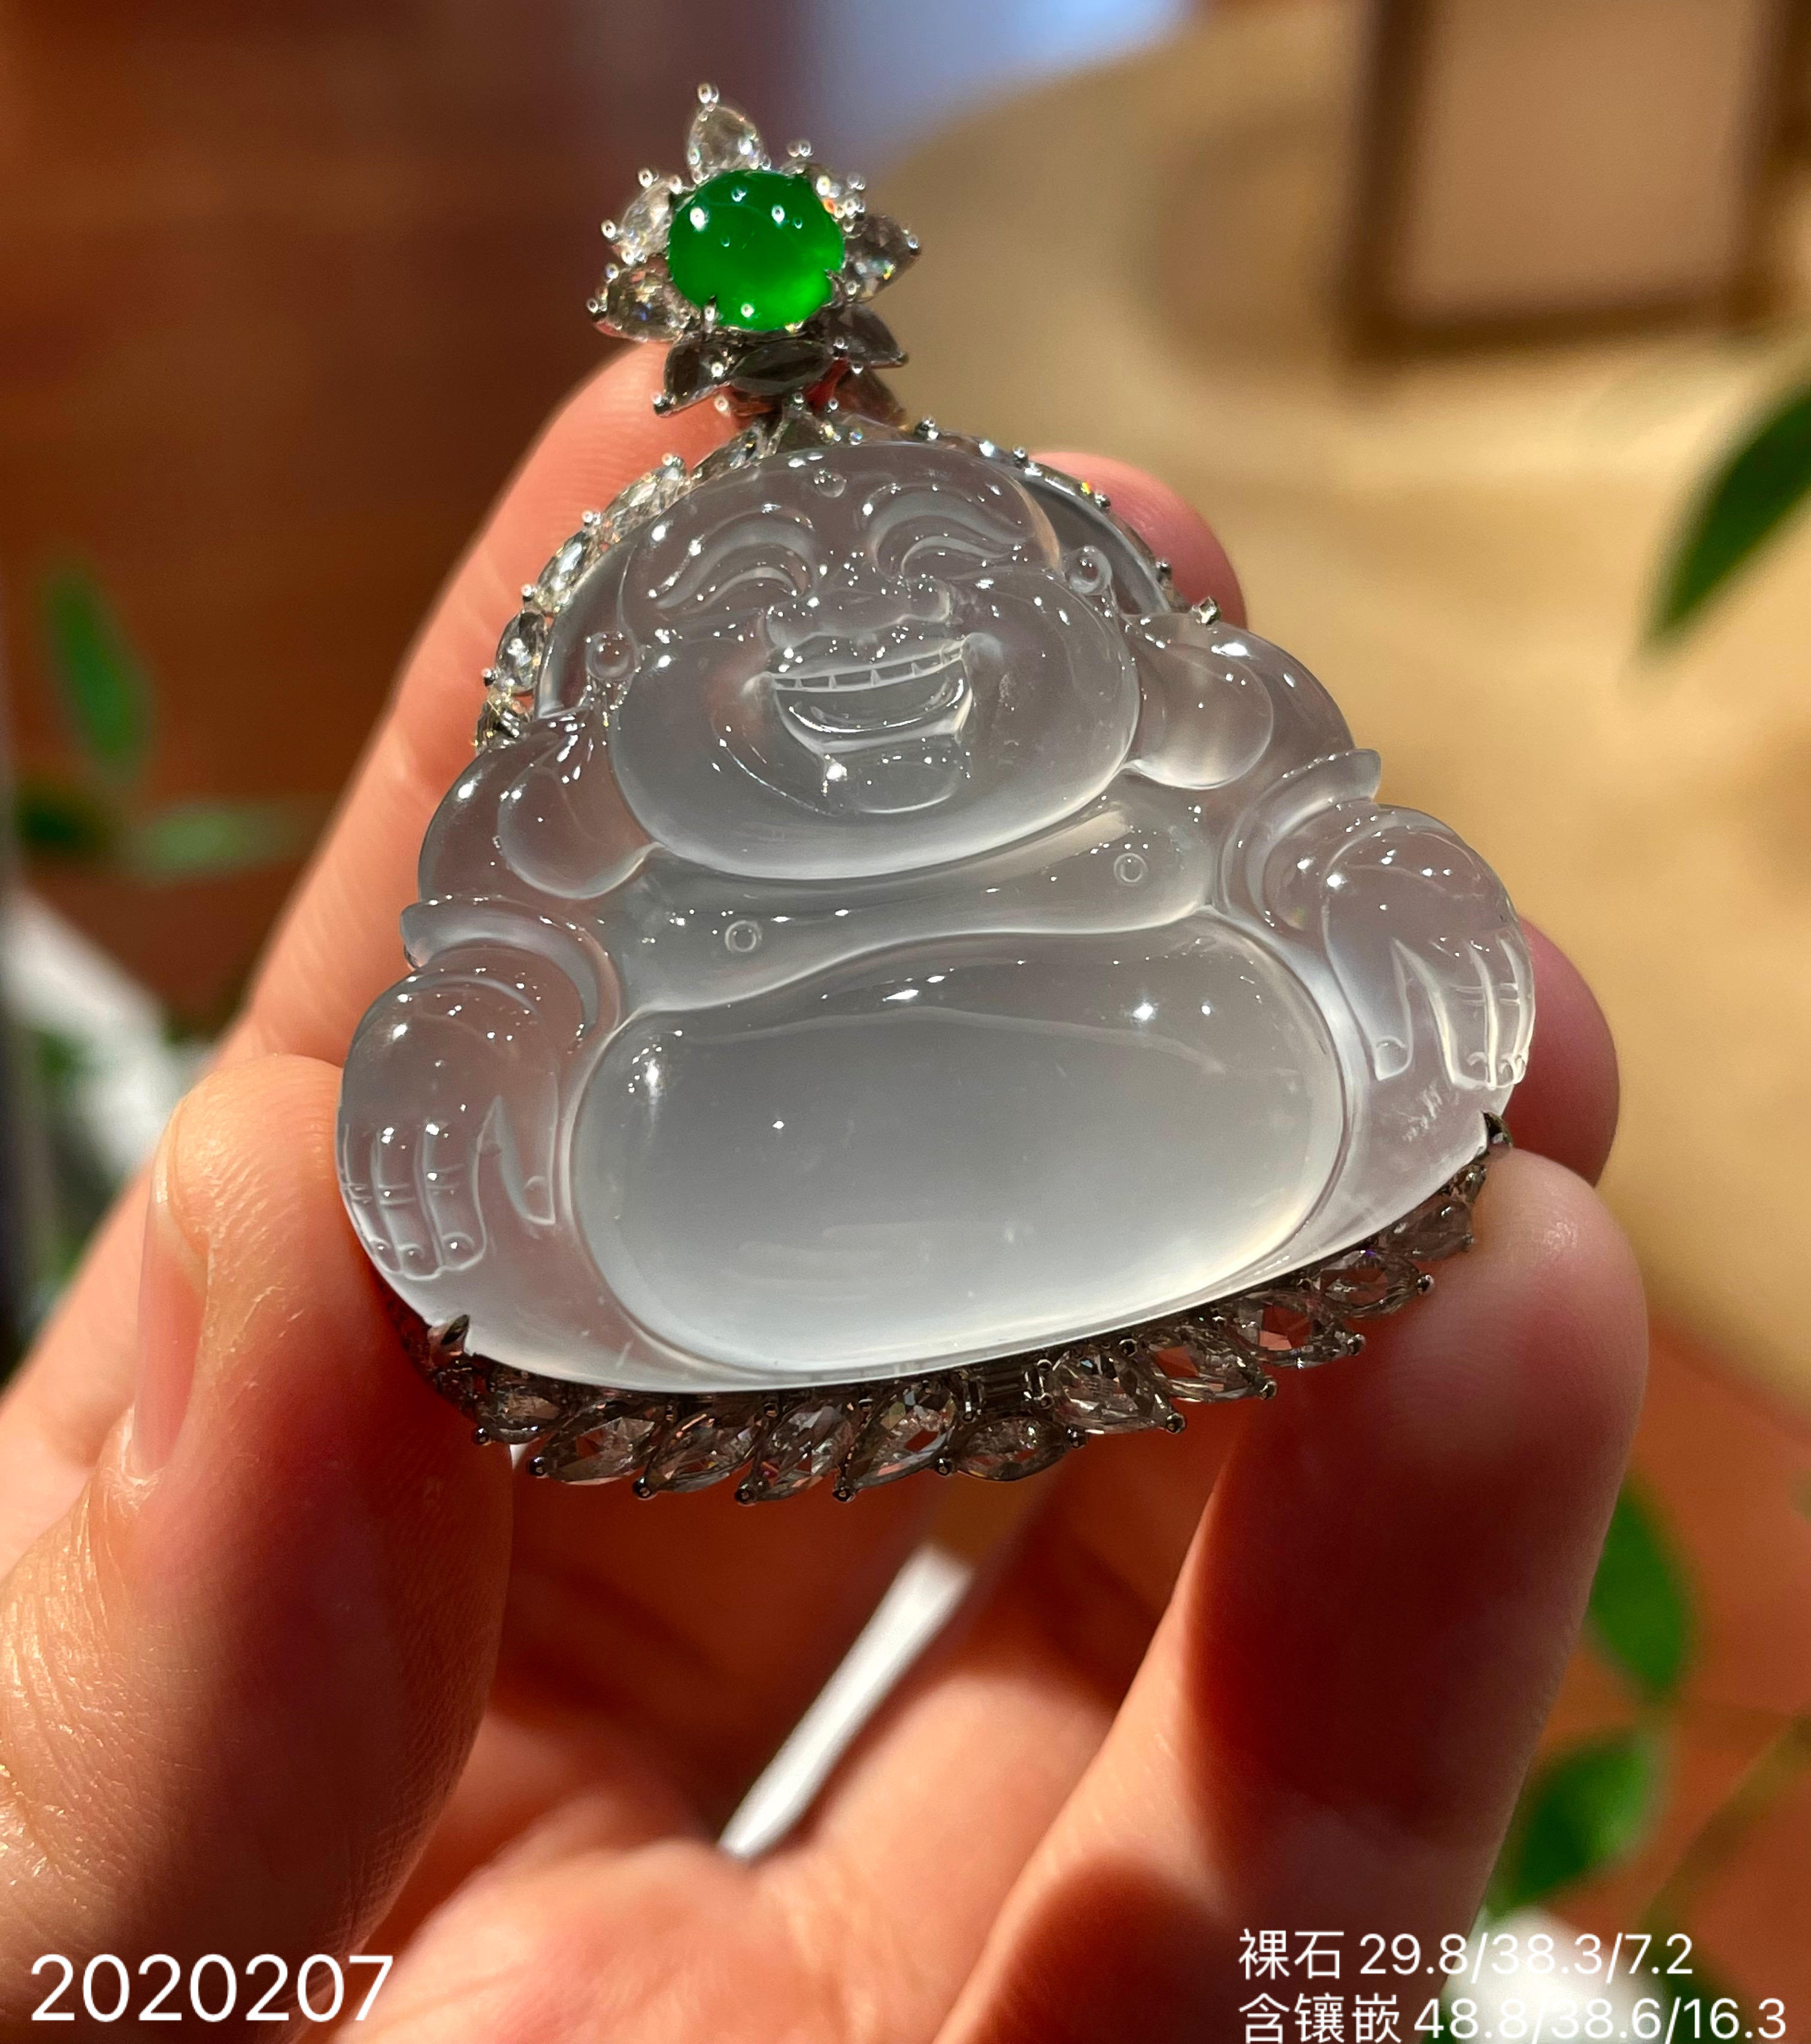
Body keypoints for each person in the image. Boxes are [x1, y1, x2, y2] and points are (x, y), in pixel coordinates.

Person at [0, 347, 1638, 2040]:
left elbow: (1303, 822)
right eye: (753, 587)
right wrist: (472, 1053)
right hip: (720, 1163)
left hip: (1201, 1080)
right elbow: (499, 965)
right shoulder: (616, 894)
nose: (862, 622)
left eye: (944, 564)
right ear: (606, 716)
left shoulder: (1159, 788)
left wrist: (1372, 897)